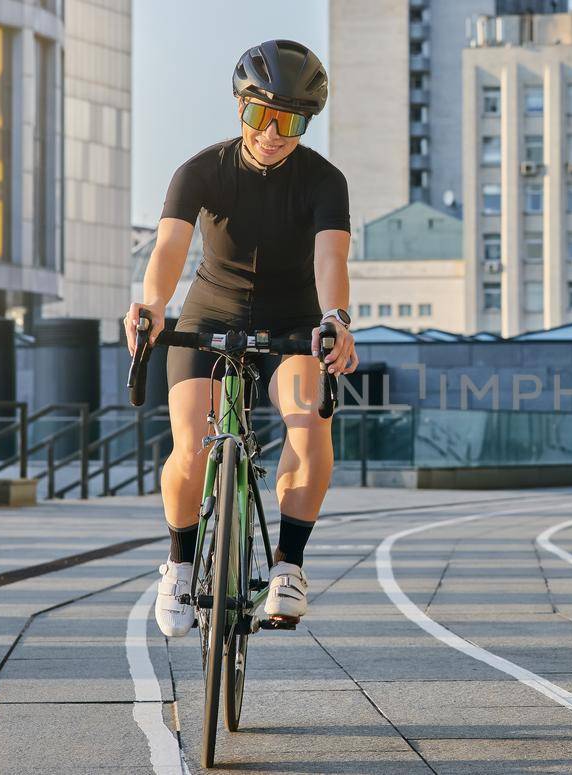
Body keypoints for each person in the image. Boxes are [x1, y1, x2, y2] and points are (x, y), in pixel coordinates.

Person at [125, 40, 357, 637]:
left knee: (308, 423)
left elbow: (332, 258)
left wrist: (336, 316)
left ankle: (289, 567)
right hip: (208, 317)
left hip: (292, 321)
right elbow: (171, 246)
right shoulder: (201, 170)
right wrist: (151, 305)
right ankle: (178, 565)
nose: (273, 133)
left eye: (291, 121)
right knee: (194, 445)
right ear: (239, 108)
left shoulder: (324, 181)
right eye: (261, 115)